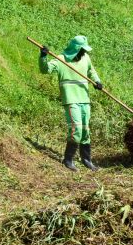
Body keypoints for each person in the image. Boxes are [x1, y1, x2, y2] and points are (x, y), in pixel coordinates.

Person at [39, 35, 103, 172]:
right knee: (76, 129)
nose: (85, 52)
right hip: (71, 99)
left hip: (84, 99)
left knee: (85, 130)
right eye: (82, 50)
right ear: (76, 49)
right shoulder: (61, 60)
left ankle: (86, 160)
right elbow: (45, 70)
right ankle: (68, 159)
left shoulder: (86, 58)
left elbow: (91, 70)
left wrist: (97, 81)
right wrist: (43, 56)